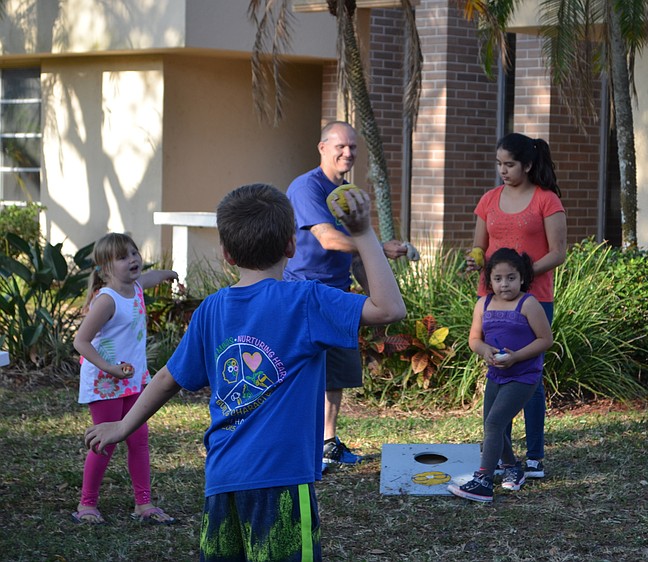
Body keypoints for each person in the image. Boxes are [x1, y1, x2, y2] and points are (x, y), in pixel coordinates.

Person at [84, 183, 405, 560]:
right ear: (291, 245)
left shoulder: (211, 308)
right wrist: (364, 232)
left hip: (222, 478)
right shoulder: (306, 300)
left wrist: (124, 426)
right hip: (281, 480)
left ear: (226, 253)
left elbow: (169, 378)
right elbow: (389, 310)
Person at [284, 120, 408, 472]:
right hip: (305, 292)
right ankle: (301, 444)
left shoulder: (348, 194)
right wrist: (379, 247)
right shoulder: (307, 187)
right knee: (305, 373)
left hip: (338, 293)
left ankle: (327, 443)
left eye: (353, 147)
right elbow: (327, 239)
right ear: (322, 147)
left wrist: (376, 300)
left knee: (336, 374)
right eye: (340, 146)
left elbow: (353, 257)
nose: (348, 153)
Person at [465, 133, 566, 478]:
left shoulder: (546, 200)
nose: (503, 171)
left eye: (509, 164)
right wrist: (474, 260)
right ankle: (505, 459)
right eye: (499, 165)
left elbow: (558, 252)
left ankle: (534, 454)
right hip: (491, 298)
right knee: (498, 370)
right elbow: (480, 247)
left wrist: (521, 277)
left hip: (534, 298)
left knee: (530, 377)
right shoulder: (489, 200)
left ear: (527, 164)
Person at [72, 233, 178, 525]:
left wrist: (169, 274)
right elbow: (80, 342)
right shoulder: (107, 300)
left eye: (134, 253)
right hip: (105, 384)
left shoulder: (136, 288)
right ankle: (86, 505)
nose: (133, 259)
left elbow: (151, 277)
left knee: (139, 441)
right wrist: (110, 367)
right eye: (123, 256)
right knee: (104, 443)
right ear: (105, 267)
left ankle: (144, 504)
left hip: (133, 380)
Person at [449, 248, 553, 502]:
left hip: (524, 376)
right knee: (492, 424)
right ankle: (511, 468)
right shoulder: (483, 304)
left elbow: (545, 339)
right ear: (489, 279)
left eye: (511, 277)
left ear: (522, 278)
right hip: (496, 374)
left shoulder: (528, 303)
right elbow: (474, 339)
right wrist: (484, 350)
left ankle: (483, 480)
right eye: (498, 278)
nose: (504, 284)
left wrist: (517, 356)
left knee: (495, 424)